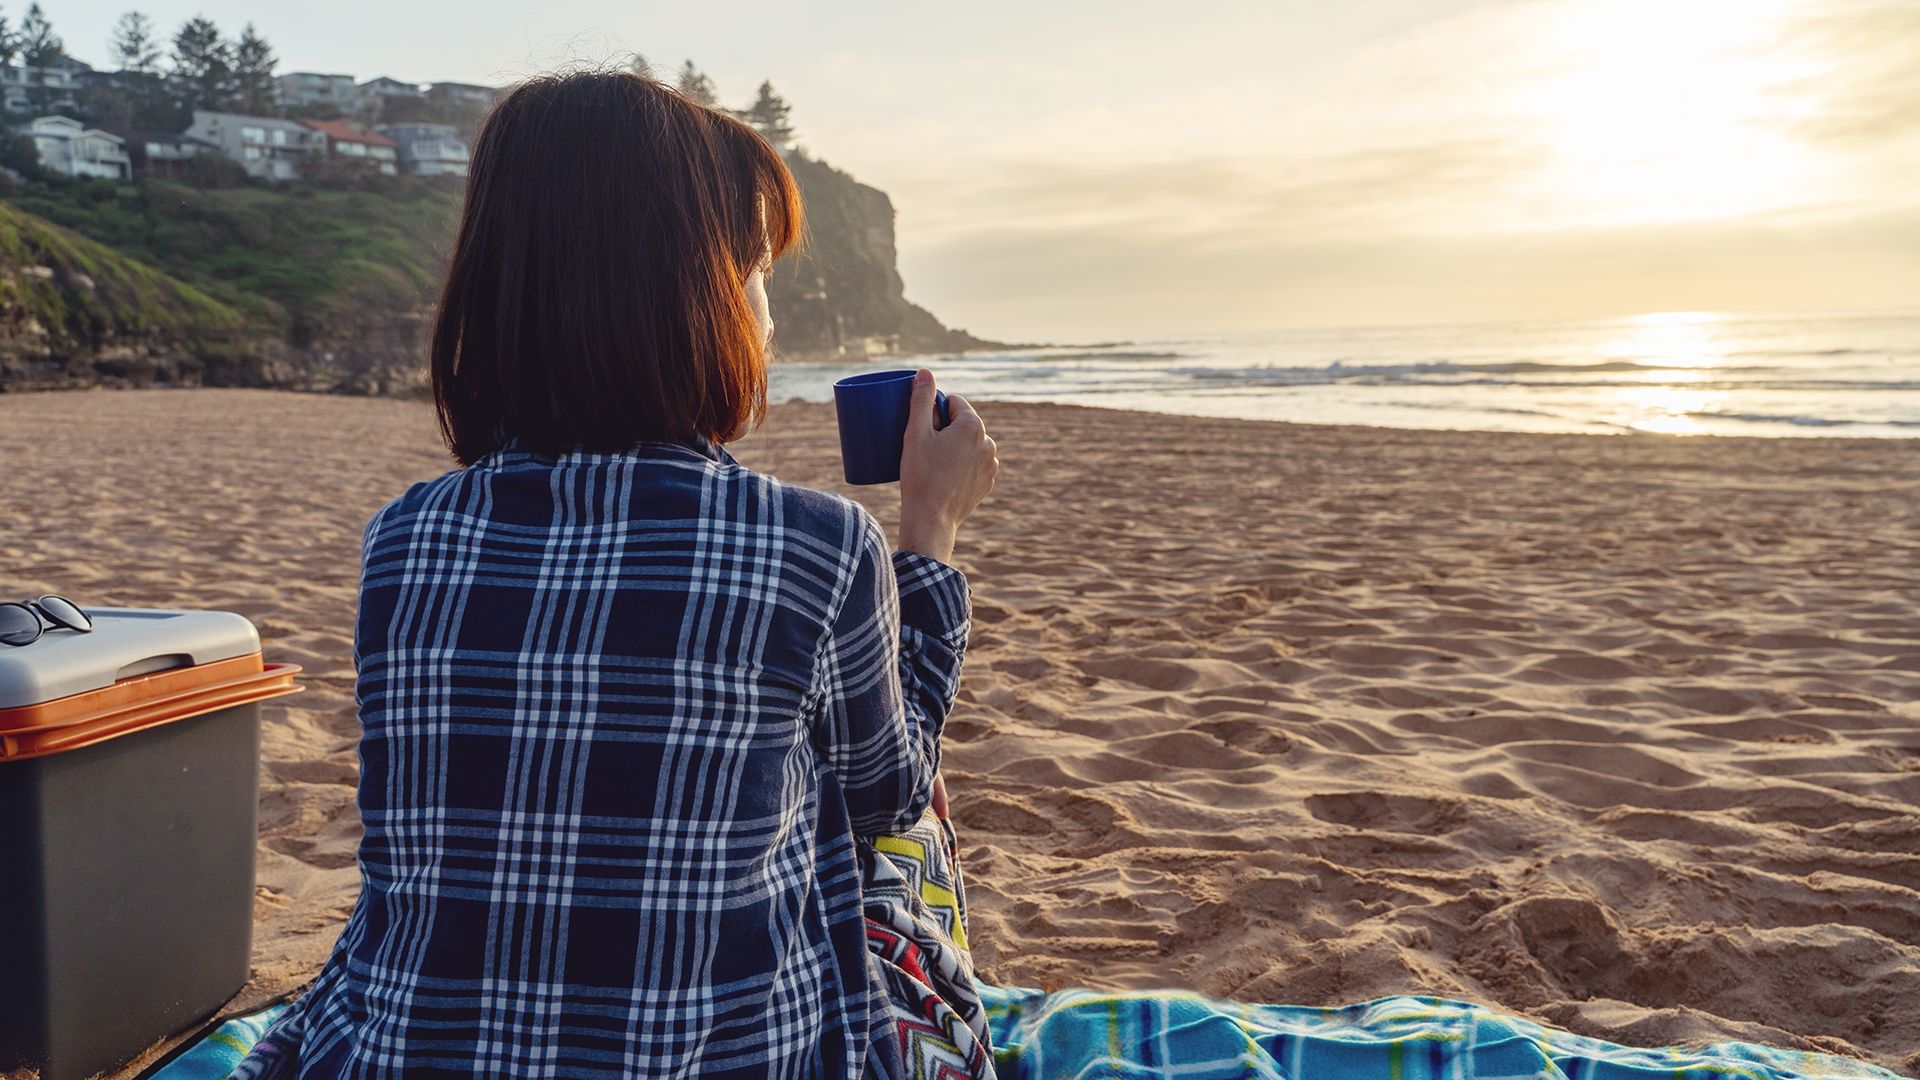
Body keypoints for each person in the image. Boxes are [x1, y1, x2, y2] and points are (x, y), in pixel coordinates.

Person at [234, 69, 998, 1079]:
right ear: (700, 292)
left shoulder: (404, 539)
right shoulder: (814, 545)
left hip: (399, 1055)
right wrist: (929, 526)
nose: (766, 311)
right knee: (898, 835)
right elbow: (885, 795)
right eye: (755, 271)